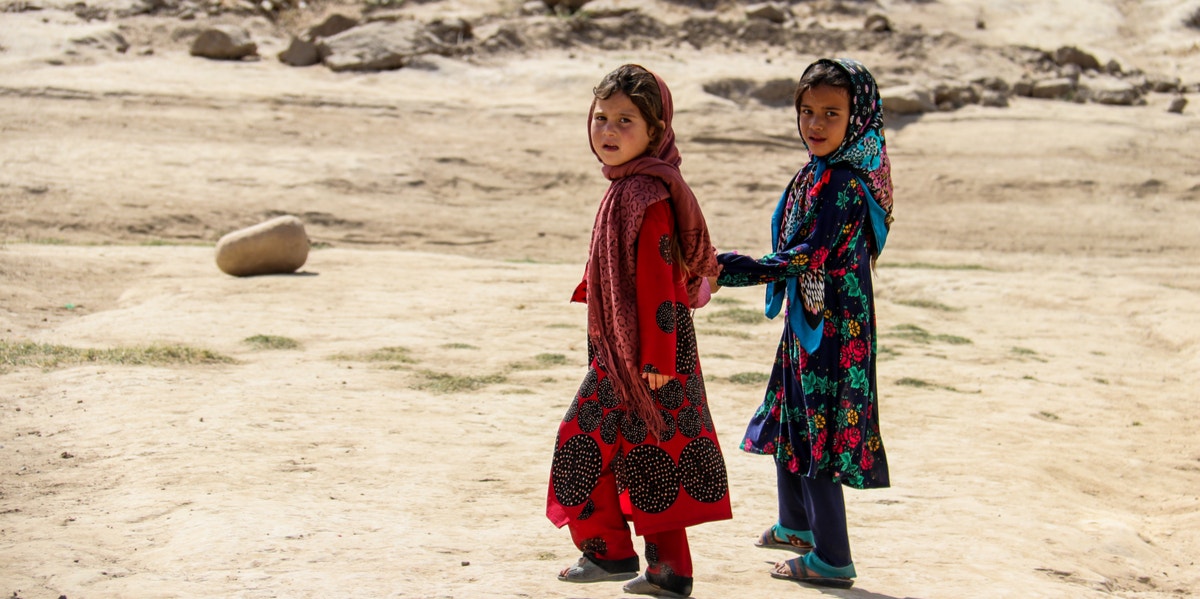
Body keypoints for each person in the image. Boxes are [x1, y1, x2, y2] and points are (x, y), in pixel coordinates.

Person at [546, 64, 731, 599]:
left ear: (656, 131)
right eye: (601, 117)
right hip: (634, 350)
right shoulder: (629, 186)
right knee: (652, 452)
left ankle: (612, 552)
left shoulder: (643, 194)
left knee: (586, 442)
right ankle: (662, 567)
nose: (608, 130)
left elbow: (655, 280)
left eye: (626, 120)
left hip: (647, 354)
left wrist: (655, 359)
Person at [713, 58, 894, 590]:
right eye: (807, 111)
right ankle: (796, 527)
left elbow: (804, 257)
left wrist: (728, 269)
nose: (815, 124)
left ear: (857, 117)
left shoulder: (842, 182)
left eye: (831, 113)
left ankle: (832, 558)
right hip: (813, 321)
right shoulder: (820, 170)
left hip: (836, 335)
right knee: (792, 416)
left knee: (819, 436)